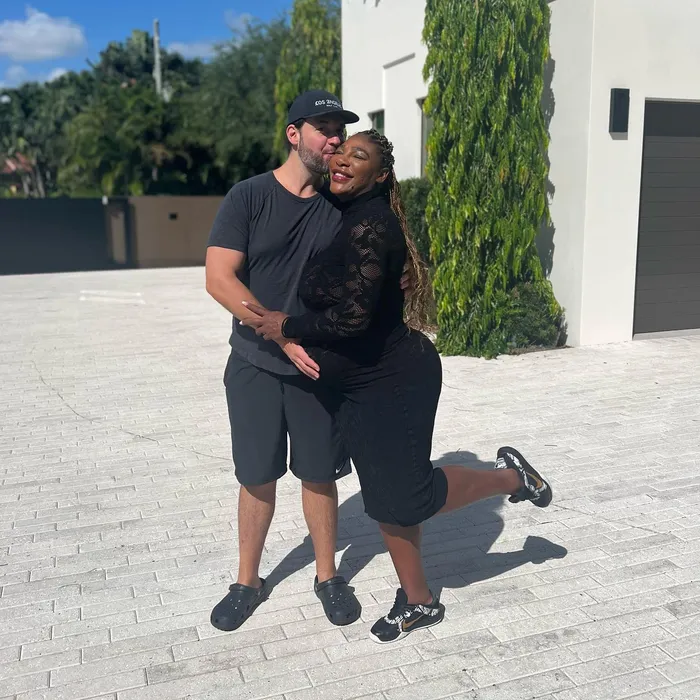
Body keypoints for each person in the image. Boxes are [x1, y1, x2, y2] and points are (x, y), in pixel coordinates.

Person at [242, 129, 554, 644]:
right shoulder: (343, 211)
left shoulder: (371, 222)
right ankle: (419, 600)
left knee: (409, 496)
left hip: (394, 379)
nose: (343, 160)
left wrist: (286, 326)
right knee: (387, 498)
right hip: (356, 384)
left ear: (381, 175)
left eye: (359, 156)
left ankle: (510, 479)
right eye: (341, 151)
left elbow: (353, 318)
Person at [204, 90, 368, 632]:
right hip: (254, 362)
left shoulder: (342, 203)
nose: (335, 138)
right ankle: (247, 582)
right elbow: (219, 278)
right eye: (324, 128)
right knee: (257, 476)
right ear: (294, 134)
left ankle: (328, 577)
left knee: (319, 475)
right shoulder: (249, 197)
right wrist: (280, 336)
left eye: (340, 129)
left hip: (316, 367)